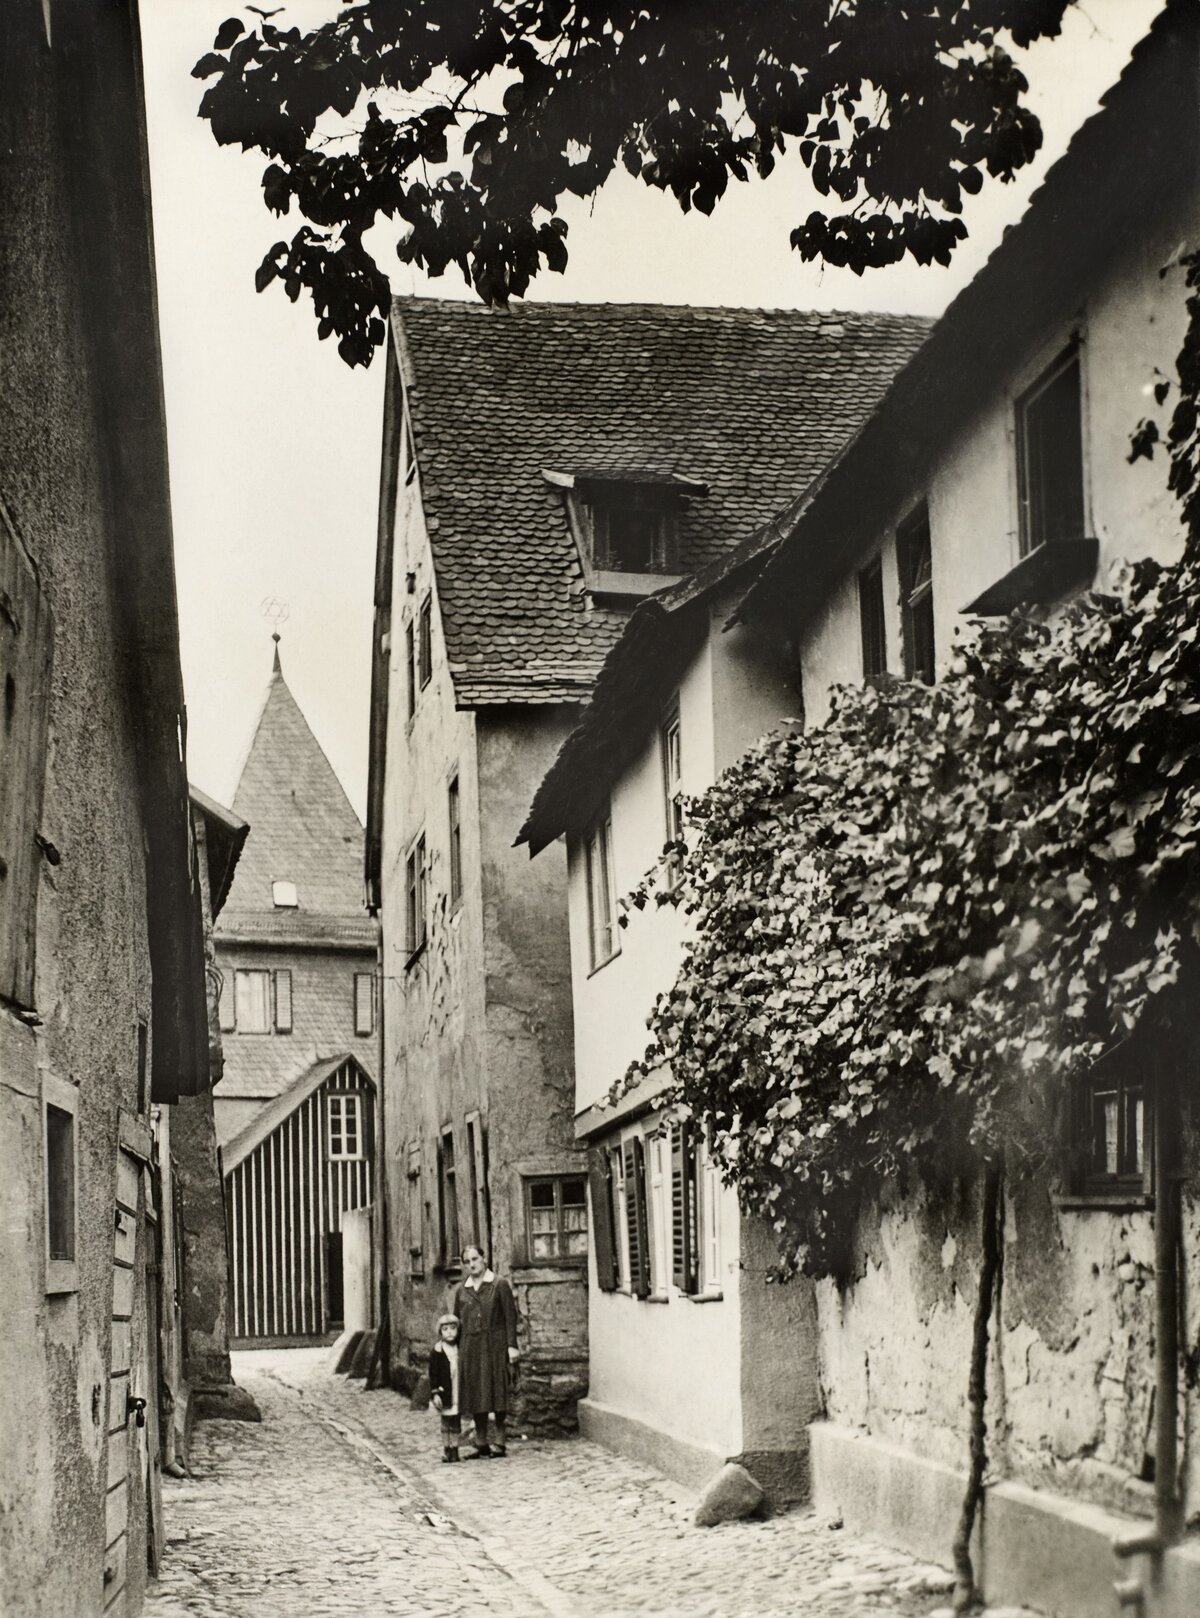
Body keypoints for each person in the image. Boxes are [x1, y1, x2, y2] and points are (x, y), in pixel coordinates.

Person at [453, 1244, 519, 1458]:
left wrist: (511, 1346)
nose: (471, 1264)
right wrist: (453, 1350)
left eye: (475, 1259)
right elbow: (456, 1322)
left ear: (484, 1259)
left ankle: (499, 1442)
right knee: (476, 1393)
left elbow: (510, 1317)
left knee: (497, 1391)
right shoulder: (462, 1289)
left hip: (495, 1345)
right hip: (470, 1347)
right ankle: (481, 1443)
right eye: (467, 1261)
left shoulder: (499, 1284)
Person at [428, 1313, 462, 1463]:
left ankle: (455, 1449)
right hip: (445, 1391)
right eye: (445, 1329)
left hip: (457, 1389)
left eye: (453, 1328)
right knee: (446, 1420)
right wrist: (435, 1392)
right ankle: (446, 1448)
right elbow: (433, 1374)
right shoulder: (438, 1351)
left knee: (456, 1420)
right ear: (440, 1332)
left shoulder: (459, 1349)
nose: (449, 1332)